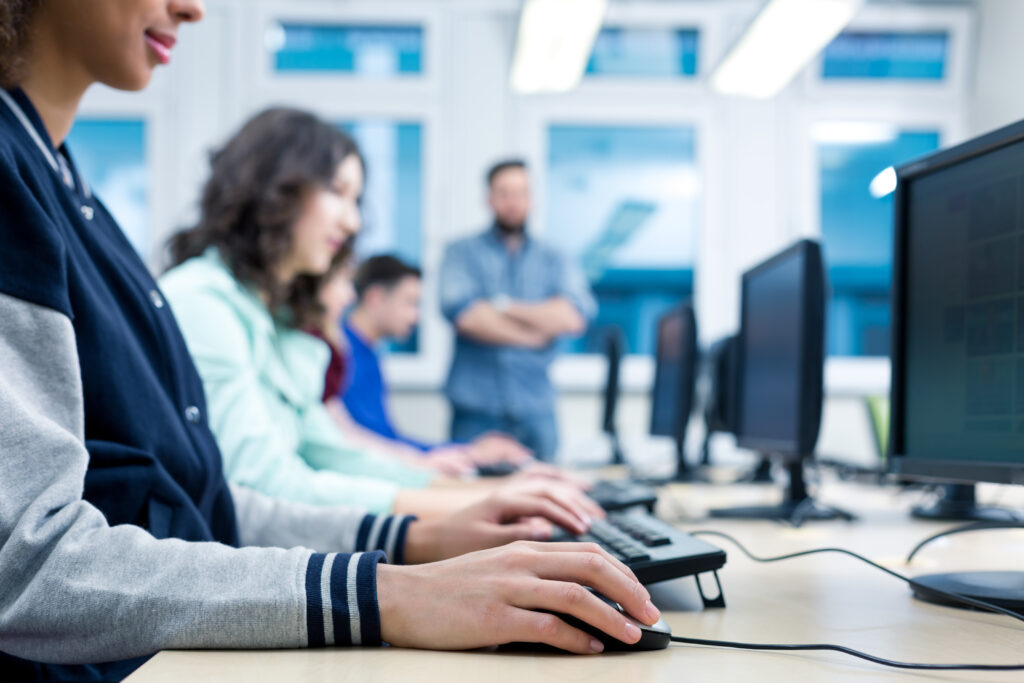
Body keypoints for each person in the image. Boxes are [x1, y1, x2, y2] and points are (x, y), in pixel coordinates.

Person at [0, 2, 659, 679]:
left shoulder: (72, 198)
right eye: (339, 193)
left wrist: (416, 538)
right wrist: (390, 587)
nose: (191, 8)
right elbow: (24, 563)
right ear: (280, 191)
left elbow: (214, 505)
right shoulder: (34, 193)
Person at [161, 109, 583, 515]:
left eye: (356, 199)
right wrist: (477, 501)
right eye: (338, 193)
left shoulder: (272, 319)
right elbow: (267, 485)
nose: (353, 222)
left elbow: (332, 451)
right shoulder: (204, 303)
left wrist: (489, 492)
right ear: (273, 191)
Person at [440, 159, 597, 461]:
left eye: (521, 193)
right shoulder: (461, 253)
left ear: (532, 198)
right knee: (470, 501)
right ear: (488, 199)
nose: (513, 202)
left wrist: (502, 306)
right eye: (504, 193)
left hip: (536, 409)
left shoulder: (555, 257)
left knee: (549, 499)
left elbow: (573, 317)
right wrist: (535, 333)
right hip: (475, 411)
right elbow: (467, 316)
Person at [339, 254, 533, 466]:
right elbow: (373, 442)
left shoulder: (367, 353)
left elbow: (386, 441)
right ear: (374, 298)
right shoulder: (343, 353)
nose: (416, 316)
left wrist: (467, 450)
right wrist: (471, 452)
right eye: (410, 303)